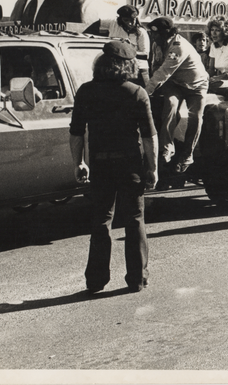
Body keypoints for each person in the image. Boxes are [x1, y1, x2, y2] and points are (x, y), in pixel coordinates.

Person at [69, 41, 158, 294]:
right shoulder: (136, 92)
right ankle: (137, 279)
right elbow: (149, 136)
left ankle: (96, 281)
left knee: (101, 221)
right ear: (128, 65)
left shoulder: (86, 91)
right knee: (134, 219)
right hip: (130, 164)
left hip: (100, 163)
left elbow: (76, 132)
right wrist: (153, 168)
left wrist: (79, 162)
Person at [144, 17, 208, 173]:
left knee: (196, 118)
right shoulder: (157, 44)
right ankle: (167, 147)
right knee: (171, 105)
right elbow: (155, 66)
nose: (153, 37)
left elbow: (164, 71)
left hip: (196, 85)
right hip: (175, 83)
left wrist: (145, 93)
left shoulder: (178, 46)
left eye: (156, 34)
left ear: (167, 33)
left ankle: (188, 154)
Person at [100, 5, 151, 87]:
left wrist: (127, 49)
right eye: (126, 20)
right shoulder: (114, 25)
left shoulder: (141, 32)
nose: (129, 23)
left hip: (138, 69)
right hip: (119, 69)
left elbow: (145, 55)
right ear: (120, 19)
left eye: (132, 20)